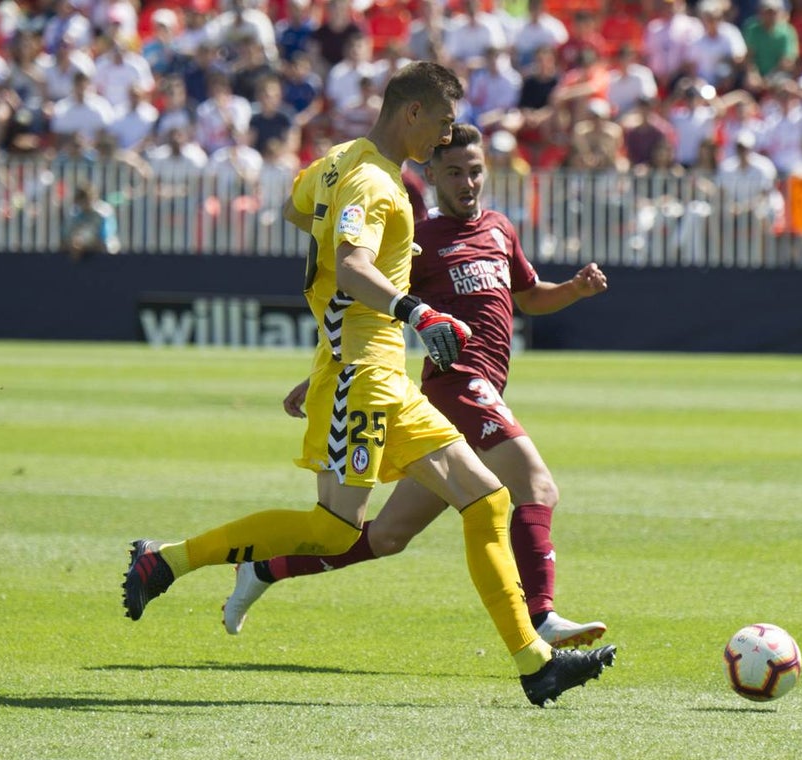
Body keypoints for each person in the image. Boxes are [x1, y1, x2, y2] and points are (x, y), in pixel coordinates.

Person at [121, 62, 615, 707]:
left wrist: (341, 307)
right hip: (365, 374)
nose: (443, 139)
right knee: (335, 530)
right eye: (440, 124)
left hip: (375, 373)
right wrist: (414, 309)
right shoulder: (377, 184)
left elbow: (298, 211)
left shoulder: (337, 163)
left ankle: (534, 662)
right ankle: (168, 560)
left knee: (486, 500)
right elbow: (353, 265)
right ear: (411, 112)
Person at [223, 122, 609, 651]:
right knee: (537, 487)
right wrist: (319, 376)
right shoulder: (419, 239)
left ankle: (264, 571)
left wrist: (572, 290)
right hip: (458, 384)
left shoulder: (499, 228)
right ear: (430, 175)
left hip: (473, 398)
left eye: (474, 172)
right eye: (454, 172)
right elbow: (370, 308)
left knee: (386, 536)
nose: (467, 183)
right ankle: (540, 617)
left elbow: (528, 295)